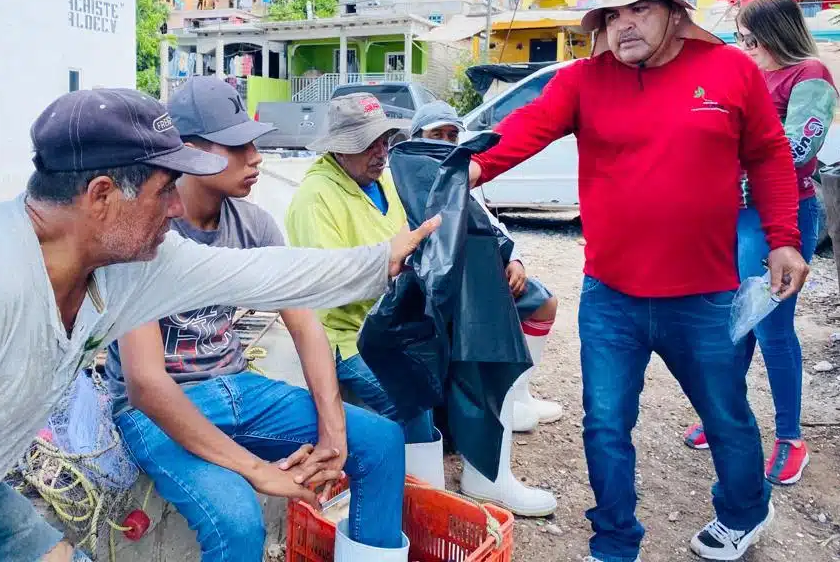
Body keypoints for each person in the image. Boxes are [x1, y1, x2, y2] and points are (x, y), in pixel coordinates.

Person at [0, 88, 438, 562]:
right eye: (162, 192)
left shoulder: (117, 263)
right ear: (102, 196)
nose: (177, 208)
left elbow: (262, 272)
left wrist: (383, 259)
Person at [468, 0, 810, 562]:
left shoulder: (729, 69)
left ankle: (744, 512)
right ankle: (615, 540)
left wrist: (783, 237)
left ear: (675, 14)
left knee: (726, 413)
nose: (625, 24)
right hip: (611, 296)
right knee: (604, 425)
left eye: (641, 8)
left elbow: (768, 154)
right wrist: (463, 168)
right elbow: (524, 130)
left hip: (703, 293)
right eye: (613, 14)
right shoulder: (582, 80)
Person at [105, 77, 407, 562]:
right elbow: (145, 383)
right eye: (237, 146)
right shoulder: (144, 232)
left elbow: (306, 325)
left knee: (382, 441)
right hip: (160, 409)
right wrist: (256, 469)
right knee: (239, 518)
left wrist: (333, 433)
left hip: (239, 387)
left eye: (254, 143)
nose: (257, 157)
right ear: (188, 151)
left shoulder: (254, 223)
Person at [683, 0, 838, 486]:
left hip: (780, 216)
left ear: (776, 35)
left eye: (751, 38)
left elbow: (795, 149)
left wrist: (720, 173)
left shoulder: (809, 75)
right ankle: (727, 418)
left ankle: (790, 437)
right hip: (735, 215)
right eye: (740, 39)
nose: (745, 47)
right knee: (734, 319)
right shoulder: (753, 74)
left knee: (771, 328)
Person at [408, 100, 558, 517]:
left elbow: (494, 225)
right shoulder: (413, 180)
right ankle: (488, 474)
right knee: (490, 352)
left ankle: (519, 397)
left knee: (543, 304)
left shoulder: (461, 175)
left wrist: (516, 259)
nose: (444, 144)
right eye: (435, 136)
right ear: (415, 140)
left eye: (451, 136)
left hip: (484, 286)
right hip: (441, 303)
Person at [284, 94, 444, 486]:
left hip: (391, 322)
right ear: (339, 149)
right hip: (346, 335)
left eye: (384, 140)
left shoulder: (382, 178)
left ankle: (420, 483)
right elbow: (331, 284)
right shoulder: (315, 197)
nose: (380, 152)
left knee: (446, 371)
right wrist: (393, 268)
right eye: (368, 144)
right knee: (409, 397)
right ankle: (416, 492)